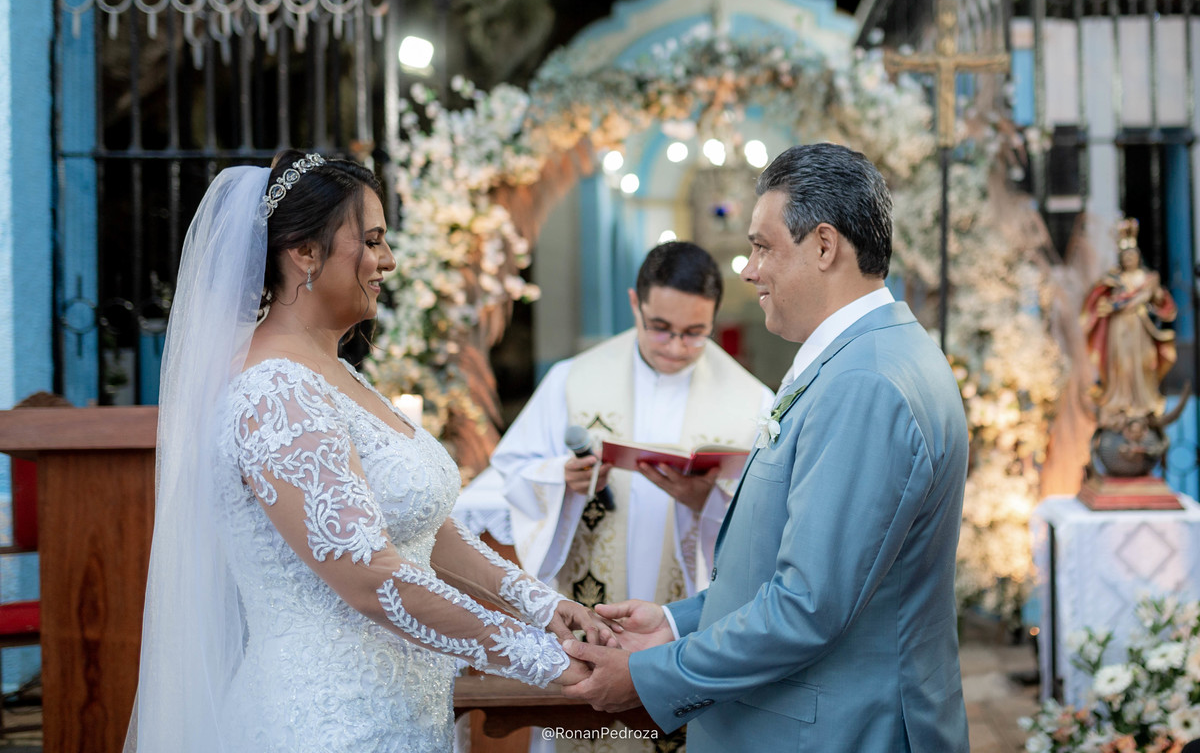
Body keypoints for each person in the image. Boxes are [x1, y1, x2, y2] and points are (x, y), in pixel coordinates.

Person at [126, 150, 609, 753]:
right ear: (305, 252)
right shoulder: (274, 392)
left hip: (403, 713)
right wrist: (545, 660)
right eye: (373, 241)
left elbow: (428, 533)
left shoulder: (338, 374)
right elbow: (369, 577)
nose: (389, 260)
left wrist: (542, 606)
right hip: (325, 721)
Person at [561, 143, 971, 753]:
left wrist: (650, 675)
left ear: (824, 246)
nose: (749, 270)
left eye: (762, 247)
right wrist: (675, 622)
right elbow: (783, 564)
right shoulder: (866, 355)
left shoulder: (864, 383)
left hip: (834, 730)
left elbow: (808, 606)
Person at [464, 241, 771, 752]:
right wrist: (561, 479)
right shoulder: (572, 381)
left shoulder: (752, 401)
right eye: (660, 328)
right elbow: (506, 477)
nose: (676, 346)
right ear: (635, 303)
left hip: (679, 625)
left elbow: (768, 523)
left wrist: (708, 504)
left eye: (695, 333)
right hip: (593, 611)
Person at [1081, 217, 1177, 430]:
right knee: (1120, 364)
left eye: (1132, 255)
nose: (1129, 259)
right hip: (1119, 327)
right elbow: (1099, 303)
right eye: (1125, 256)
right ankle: (1120, 400)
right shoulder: (1114, 280)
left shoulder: (1146, 279)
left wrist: (1155, 294)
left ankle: (1144, 402)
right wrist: (1108, 305)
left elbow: (1162, 303)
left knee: (1143, 362)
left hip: (1139, 327)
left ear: (1138, 257)